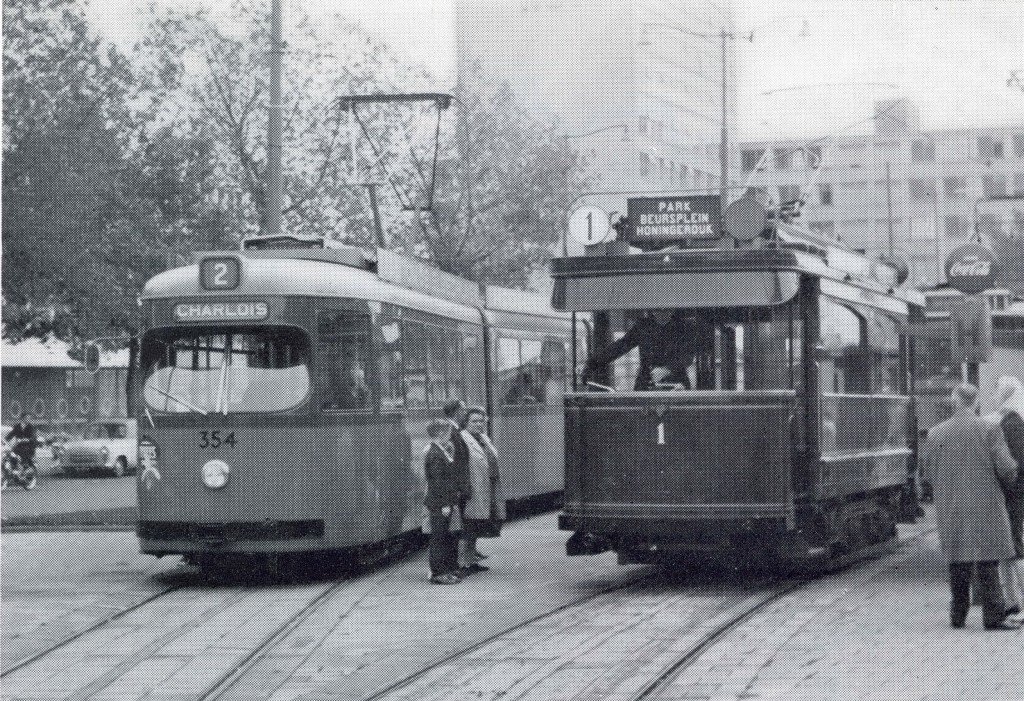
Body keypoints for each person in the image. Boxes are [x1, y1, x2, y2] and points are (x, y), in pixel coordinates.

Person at [922, 383, 1021, 630]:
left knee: (957, 561)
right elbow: (1008, 469)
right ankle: (994, 617)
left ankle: (958, 616)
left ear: (954, 402)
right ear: (976, 403)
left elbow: (927, 474)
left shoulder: (935, 433)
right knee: (988, 562)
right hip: (986, 505)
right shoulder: (989, 428)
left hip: (951, 507)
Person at [583, 310, 709, 390]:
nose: (662, 313)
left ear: (673, 310)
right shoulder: (643, 327)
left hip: (677, 385)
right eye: (658, 309)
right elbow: (620, 347)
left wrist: (667, 369)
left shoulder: (684, 327)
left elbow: (687, 356)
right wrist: (592, 363)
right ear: (652, 310)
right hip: (646, 385)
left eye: (667, 309)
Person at [989, 376, 1024, 617]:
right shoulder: (1015, 420)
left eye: (998, 391)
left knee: (1013, 545)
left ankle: (1017, 602)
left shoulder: (1012, 424)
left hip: (1012, 494)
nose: (995, 395)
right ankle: (1012, 601)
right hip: (1016, 493)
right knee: (1010, 545)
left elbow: (1014, 464)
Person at [460, 407, 504, 572]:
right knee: (469, 526)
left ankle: (471, 562)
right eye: (474, 421)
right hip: (474, 489)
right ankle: (463, 563)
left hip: (487, 487)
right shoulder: (463, 439)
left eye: (481, 420)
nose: (479, 424)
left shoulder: (483, 438)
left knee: (477, 526)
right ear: (466, 422)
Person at [422, 419, 462, 584]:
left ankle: (444, 571)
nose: (450, 436)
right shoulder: (436, 454)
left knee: (443, 536)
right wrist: (445, 503)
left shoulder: (439, 451)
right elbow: (437, 482)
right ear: (440, 434)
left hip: (442, 502)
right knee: (439, 538)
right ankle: (439, 573)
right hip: (440, 504)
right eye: (448, 433)